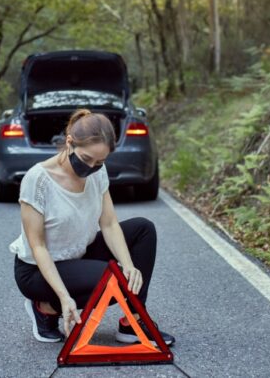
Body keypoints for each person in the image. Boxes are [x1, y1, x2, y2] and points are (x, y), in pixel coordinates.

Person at [9, 108, 175, 345]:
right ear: (70, 143)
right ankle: (46, 308)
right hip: (37, 270)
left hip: (78, 253)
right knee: (113, 280)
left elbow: (108, 223)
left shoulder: (97, 171)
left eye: (100, 162)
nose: (92, 166)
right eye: (87, 159)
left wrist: (129, 265)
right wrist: (65, 299)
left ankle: (134, 320)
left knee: (143, 229)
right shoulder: (38, 180)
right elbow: (38, 246)